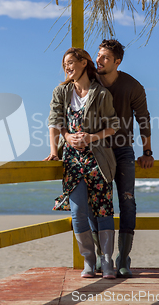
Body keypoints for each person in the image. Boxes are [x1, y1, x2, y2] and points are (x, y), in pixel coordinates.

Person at [44, 47, 120, 279]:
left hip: (98, 159)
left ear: (84, 63)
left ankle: (106, 263)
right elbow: (55, 121)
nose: (67, 67)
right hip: (72, 161)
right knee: (78, 212)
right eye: (65, 64)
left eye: (70, 63)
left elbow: (113, 125)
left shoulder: (102, 94)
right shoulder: (62, 91)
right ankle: (89, 261)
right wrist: (58, 146)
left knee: (103, 210)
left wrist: (91, 137)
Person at [92, 39, 154, 278]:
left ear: (117, 62)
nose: (99, 60)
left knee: (127, 201)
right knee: (98, 202)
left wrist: (147, 152)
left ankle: (124, 257)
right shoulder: (91, 82)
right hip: (96, 151)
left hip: (123, 149)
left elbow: (144, 119)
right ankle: (101, 256)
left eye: (105, 57)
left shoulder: (132, 86)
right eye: (98, 55)